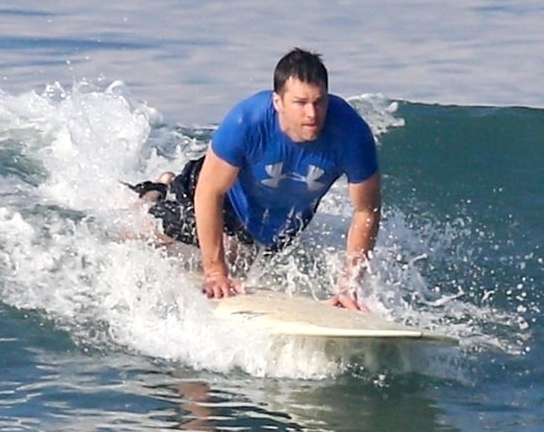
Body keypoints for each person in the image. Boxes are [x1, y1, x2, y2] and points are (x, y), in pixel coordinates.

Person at [129, 48, 381, 311]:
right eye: (300, 102)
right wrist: (215, 273)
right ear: (277, 102)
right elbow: (209, 191)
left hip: (276, 226)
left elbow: (366, 210)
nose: (312, 114)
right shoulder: (247, 121)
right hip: (220, 196)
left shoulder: (352, 135)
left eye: (319, 102)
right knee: (143, 232)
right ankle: (159, 190)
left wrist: (349, 286)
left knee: (240, 260)